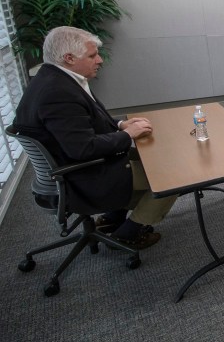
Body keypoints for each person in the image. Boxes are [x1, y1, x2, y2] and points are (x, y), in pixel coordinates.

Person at [13, 26, 176, 249]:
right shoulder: (58, 93)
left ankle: (113, 218)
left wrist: (120, 124)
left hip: (72, 168)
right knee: (172, 177)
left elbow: (84, 120)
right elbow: (83, 149)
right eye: (92, 56)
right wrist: (127, 134)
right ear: (69, 58)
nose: (99, 60)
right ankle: (129, 233)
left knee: (153, 157)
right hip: (84, 178)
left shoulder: (53, 78)